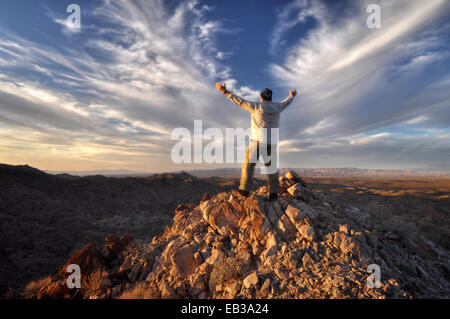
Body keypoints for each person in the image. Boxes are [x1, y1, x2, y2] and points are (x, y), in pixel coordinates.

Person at [216, 82, 297, 201]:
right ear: (271, 98)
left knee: (248, 165)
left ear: (261, 98)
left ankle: (244, 191)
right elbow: (287, 102)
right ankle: (273, 194)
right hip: (271, 143)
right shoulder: (278, 107)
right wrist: (292, 96)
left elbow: (239, 101)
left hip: (257, 141)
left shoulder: (255, 106)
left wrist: (225, 92)